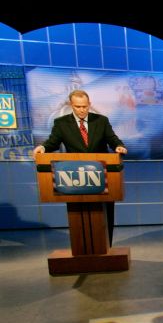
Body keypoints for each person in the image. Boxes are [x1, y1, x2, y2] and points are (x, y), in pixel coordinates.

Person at [34, 89, 128, 245]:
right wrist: (43, 148)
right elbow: (53, 142)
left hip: (102, 176)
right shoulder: (61, 123)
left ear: (89, 104)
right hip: (76, 177)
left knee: (105, 212)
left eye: (85, 106)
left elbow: (113, 139)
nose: (82, 110)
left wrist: (119, 146)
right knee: (79, 213)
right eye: (78, 107)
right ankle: (82, 247)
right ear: (72, 105)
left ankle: (106, 247)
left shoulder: (101, 120)